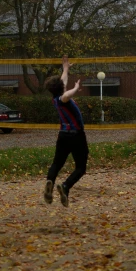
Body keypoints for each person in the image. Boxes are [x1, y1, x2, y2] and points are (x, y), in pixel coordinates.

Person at [43, 56, 88, 207]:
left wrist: (66, 69)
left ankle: (50, 180)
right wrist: (76, 88)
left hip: (63, 136)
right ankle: (66, 186)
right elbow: (67, 94)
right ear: (62, 88)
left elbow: (62, 83)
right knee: (81, 168)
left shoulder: (55, 98)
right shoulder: (63, 98)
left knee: (57, 163)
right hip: (76, 136)